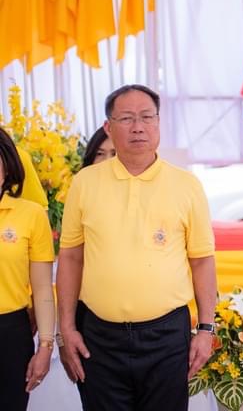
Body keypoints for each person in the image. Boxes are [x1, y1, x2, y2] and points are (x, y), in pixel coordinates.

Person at [56, 84, 217, 411]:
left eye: (146, 117)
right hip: (99, 336)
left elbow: (202, 261)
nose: (138, 127)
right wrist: (66, 329)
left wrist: (205, 329)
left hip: (167, 335)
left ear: (158, 122)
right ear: (108, 127)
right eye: (127, 118)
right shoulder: (85, 182)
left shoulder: (186, 185)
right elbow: (71, 258)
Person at [0, 127, 55, 410]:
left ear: (7, 165)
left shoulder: (30, 215)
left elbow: (43, 286)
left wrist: (45, 345)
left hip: (10, 333)